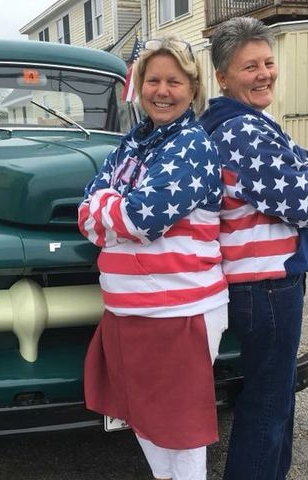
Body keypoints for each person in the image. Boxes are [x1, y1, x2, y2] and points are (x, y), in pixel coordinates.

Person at [78, 35, 228, 480]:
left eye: (174, 81)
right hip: (128, 310)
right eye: (153, 80)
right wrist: (109, 211)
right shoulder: (130, 144)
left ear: (193, 88)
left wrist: (108, 207)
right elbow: (84, 216)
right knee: (144, 421)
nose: (162, 91)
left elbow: (145, 217)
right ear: (139, 86)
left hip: (180, 308)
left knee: (179, 431)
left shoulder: (193, 145)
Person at [198, 17, 308, 480]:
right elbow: (306, 205)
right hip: (268, 286)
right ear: (222, 76)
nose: (264, 74)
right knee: (267, 403)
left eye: (268, 63)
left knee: (271, 398)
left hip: (261, 283)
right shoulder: (243, 132)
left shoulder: (243, 123)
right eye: (249, 66)